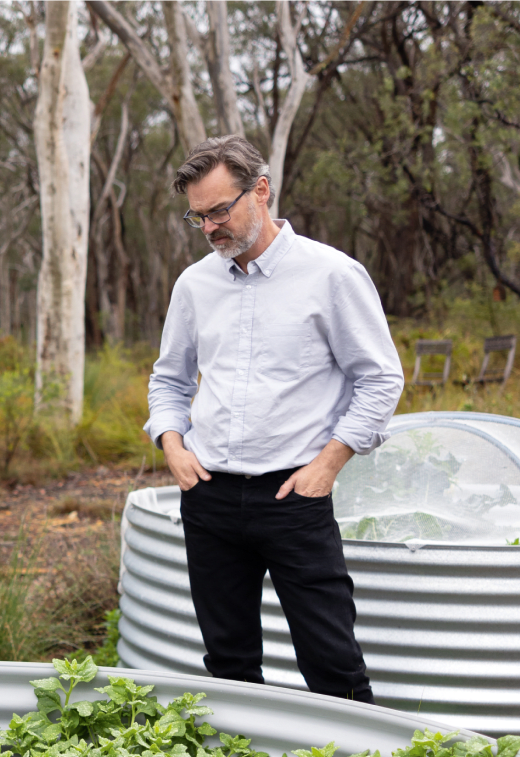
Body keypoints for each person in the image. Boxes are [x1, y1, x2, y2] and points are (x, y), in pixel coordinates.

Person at [143, 135, 405, 703]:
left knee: (331, 660)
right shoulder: (195, 284)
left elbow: (381, 379)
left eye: (219, 210)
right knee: (228, 661)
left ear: (260, 191)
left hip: (294, 496)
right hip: (208, 496)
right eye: (197, 216)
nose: (210, 227)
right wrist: (172, 444)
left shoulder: (332, 275)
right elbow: (169, 379)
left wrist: (328, 466)